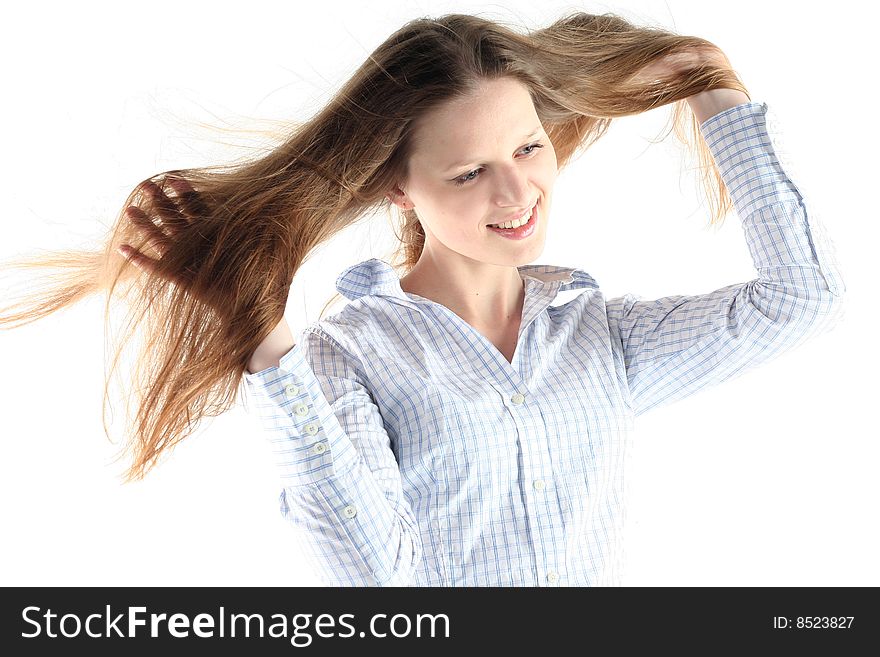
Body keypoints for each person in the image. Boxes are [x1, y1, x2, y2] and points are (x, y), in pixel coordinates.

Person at [0, 12, 845, 586]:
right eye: (470, 171)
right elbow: (377, 574)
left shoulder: (599, 337)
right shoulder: (348, 356)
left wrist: (712, 91)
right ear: (400, 188)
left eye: (529, 147)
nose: (517, 191)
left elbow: (800, 297)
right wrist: (263, 342)